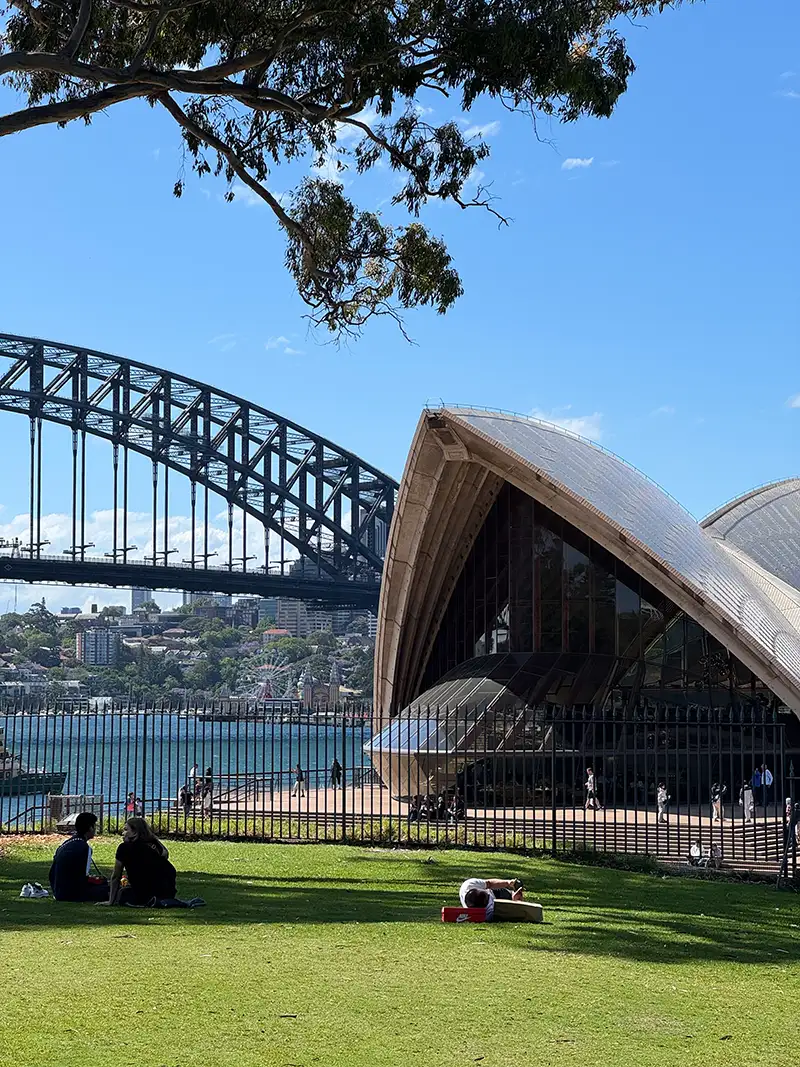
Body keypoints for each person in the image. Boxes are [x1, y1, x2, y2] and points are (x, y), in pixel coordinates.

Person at [101, 817, 204, 908]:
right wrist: (152, 838)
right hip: (166, 888)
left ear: (135, 832)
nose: (123, 833)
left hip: (145, 890)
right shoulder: (153, 846)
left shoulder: (124, 848)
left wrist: (111, 901)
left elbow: (116, 876)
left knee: (123, 894)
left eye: (126, 830)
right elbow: (165, 854)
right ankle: (165, 900)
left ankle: (153, 901)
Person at [49, 811, 109, 902]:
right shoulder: (84, 847)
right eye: (95, 826)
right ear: (90, 828)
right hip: (73, 893)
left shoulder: (67, 843)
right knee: (107, 888)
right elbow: (84, 877)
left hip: (58, 891)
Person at [459, 877, 524, 921]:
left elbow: (489, 883)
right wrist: (514, 903)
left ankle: (513, 894)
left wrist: (508, 883)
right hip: (496, 906)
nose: (490, 899)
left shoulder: (469, 884)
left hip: (494, 892)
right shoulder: (486, 914)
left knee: (508, 894)